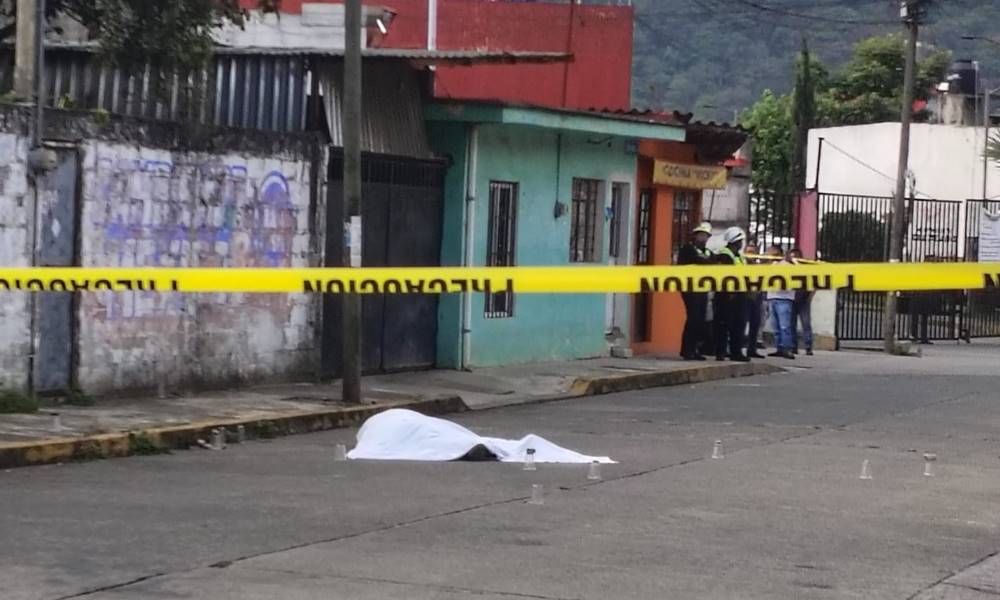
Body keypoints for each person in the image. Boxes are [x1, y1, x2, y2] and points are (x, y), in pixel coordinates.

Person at [712, 227, 750, 362]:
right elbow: (724, 276)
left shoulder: (739, 256)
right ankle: (721, 352)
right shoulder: (724, 255)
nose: (741, 243)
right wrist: (730, 292)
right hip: (726, 296)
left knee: (738, 325)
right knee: (723, 325)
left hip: (740, 295)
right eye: (740, 241)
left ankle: (736, 352)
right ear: (735, 241)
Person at [677, 222, 714, 361]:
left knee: (700, 319)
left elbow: (714, 263)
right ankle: (687, 350)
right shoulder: (688, 249)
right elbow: (698, 261)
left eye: (705, 235)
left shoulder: (708, 252)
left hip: (703, 288)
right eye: (700, 235)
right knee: (693, 318)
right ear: (695, 236)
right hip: (690, 288)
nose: (703, 238)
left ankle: (695, 349)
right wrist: (708, 263)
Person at [766, 248, 796, 359]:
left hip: (784, 298)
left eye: (774, 254)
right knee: (775, 327)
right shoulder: (771, 266)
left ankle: (787, 349)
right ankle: (779, 348)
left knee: (784, 326)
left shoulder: (788, 266)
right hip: (772, 297)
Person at [788, 248, 814, 356]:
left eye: (795, 256)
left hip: (803, 300)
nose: (794, 259)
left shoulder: (805, 268)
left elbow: (812, 284)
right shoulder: (788, 268)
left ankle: (808, 346)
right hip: (791, 300)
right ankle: (793, 346)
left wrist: (810, 297)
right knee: (791, 325)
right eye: (792, 257)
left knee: (806, 324)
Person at [743, 242, 765, 358]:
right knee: (741, 325)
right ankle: (737, 349)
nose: (751, 254)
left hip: (756, 298)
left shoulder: (759, 267)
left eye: (753, 252)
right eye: (749, 252)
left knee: (755, 324)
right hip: (744, 297)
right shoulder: (741, 265)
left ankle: (752, 349)